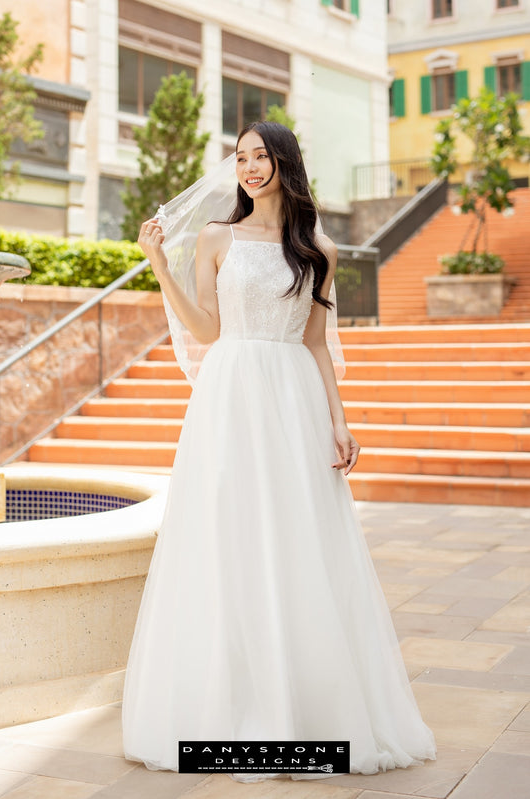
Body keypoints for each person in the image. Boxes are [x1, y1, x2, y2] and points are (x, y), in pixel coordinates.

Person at [121, 120, 437, 783]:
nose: (249, 167)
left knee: (301, 539)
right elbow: (206, 329)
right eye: (240, 157)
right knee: (228, 534)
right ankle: (232, 711)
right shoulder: (217, 238)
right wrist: (159, 266)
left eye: (260, 155)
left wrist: (339, 422)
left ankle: (307, 715)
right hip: (229, 395)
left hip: (293, 399)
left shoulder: (318, 248)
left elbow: (316, 342)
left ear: (284, 162)